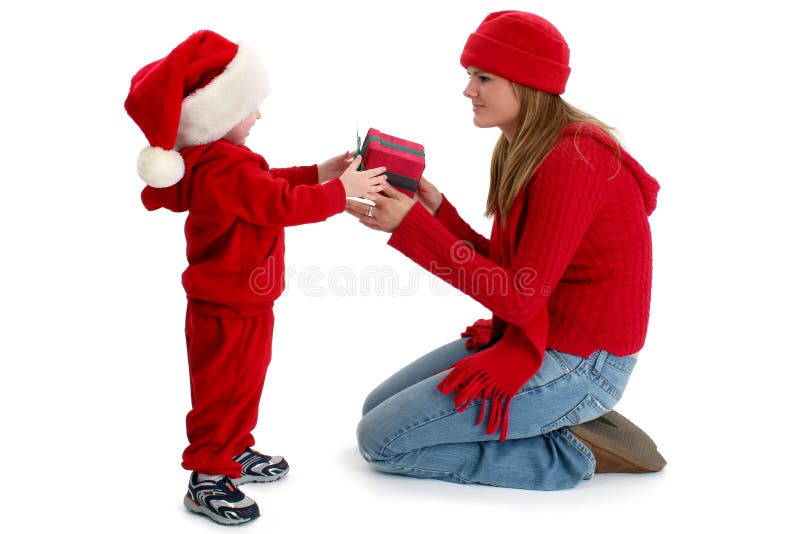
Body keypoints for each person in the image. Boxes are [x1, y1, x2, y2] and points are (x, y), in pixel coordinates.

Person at [348, 11, 666, 490]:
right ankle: (546, 417)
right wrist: (436, 213)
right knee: (377, 408)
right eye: (469, 76)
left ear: (526, 83)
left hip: (582, 363)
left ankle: (569, 451)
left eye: (483, 78)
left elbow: (519, 297)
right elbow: (516, 272)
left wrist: (412, 228)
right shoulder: (526, 148)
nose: (467, 90)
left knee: (382, 441)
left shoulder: (572, 161)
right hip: (538, 335)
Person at [125, 30, 386, 525]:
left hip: (246, 302)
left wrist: (317, 173)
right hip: (225, 306)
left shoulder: (224, 163)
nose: (258, 116)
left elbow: (267, 187)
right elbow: (278, 204)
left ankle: (233, 451)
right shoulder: (223, 167)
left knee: (244, 385)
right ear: (217, 115)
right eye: (250, 108)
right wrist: (337, 189)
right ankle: (206, 474)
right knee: (222, 392)